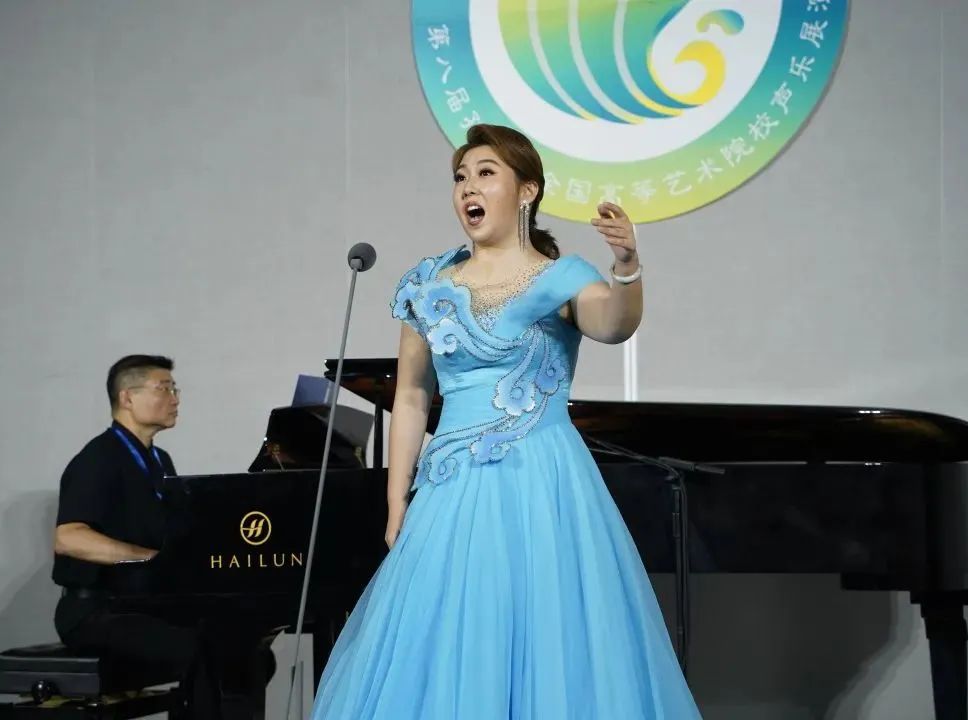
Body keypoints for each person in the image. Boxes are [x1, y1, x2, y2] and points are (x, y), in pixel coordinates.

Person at [308, 125, 702, 719]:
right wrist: (395, 502)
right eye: (460, 177)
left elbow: (614, 325)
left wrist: (626, 266)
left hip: (542, 481)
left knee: (549, 632)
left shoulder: (561, 278)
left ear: (527, 191)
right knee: (449, 636)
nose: (469, 187)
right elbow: (411, 396)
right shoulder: (428, 285)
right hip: (451, 489)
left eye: (486, 173)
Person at [52, 354, 274, 718]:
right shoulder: (97, 459)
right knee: (207, 651)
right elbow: (69, 538)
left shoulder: (159, 461)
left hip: (142, 605)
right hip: (95, 612)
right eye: (164, 388)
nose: (175, 399)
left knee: (250, 652)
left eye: (175, 389)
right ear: (127, 397)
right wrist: (151, 558)